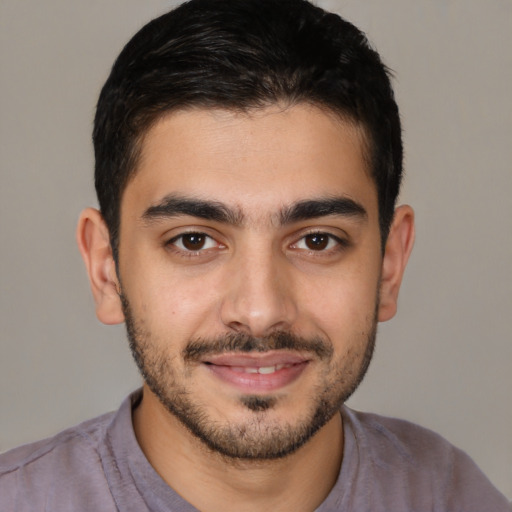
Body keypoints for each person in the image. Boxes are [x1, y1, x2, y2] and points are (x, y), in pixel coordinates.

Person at [0, 0, 509, 510]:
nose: (261, 311)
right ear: (106, 269)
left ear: (389, 265)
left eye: (317, 240)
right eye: (193, 240)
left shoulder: (456, 497)